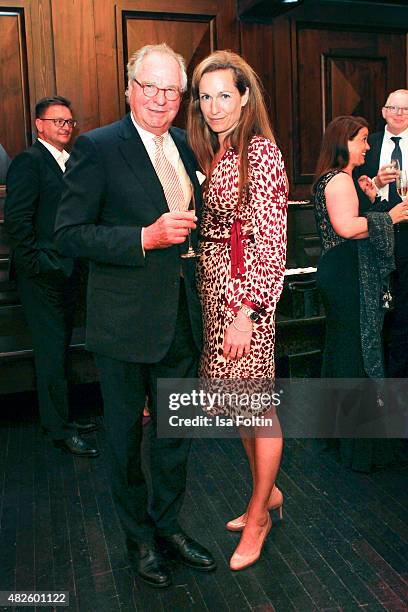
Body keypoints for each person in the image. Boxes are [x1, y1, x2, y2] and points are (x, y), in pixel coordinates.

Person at [54, 44, 215, 588]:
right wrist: (142, 239)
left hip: (180, 322)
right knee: (125, 442)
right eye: (150, 87)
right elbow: (69, 233)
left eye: (171, 90)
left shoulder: (187, 146)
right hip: (121, 327)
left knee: (176, 439)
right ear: (130, 89)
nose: (160, 99)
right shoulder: (97, 147)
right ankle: (139, 538)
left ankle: (168, 526)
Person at [187, 51, 288, 571]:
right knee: (239, 406)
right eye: (205, 96)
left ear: (246, 97)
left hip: (245, 299)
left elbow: (270, 238)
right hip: (218, 294)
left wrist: (247, 310)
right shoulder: (220, 150)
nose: (213, 106)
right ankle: (264, 494)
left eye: (224, 94)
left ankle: (259, 516)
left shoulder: (260, 153)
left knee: (258, 408)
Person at [4, 96, 99, 458]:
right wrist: (42, 265)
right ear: (38, 125)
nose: (64, 126)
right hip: (42, 276)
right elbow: (18, 224)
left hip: (67, 272)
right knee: (49, 354)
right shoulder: (29, 162)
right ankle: (58, 429)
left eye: (69, 122)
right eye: (56, 120)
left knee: (60, 351)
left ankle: (64, 419)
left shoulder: (69, 162)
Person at [313, 115, 408, 472]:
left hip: (341, 271)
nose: (368, 147)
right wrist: (392, 217)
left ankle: (341, 439)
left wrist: (372, 202)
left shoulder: (341, 179)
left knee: (343, 350)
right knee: (354, 352)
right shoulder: (338, 180)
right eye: (363, 140)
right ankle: (359, 448)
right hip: (344, 274)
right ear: (344, 142)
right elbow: (347, 228)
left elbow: (357, 224)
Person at [356, 90, 408, 380]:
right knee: (374, 310)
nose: (399, 113)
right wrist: (376, 182)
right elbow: (353, 191)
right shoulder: (368, 144)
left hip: (407, 237)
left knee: (404, 313)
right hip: (374, 236)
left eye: (405, 109)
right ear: (384, 111)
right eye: (393, 108)